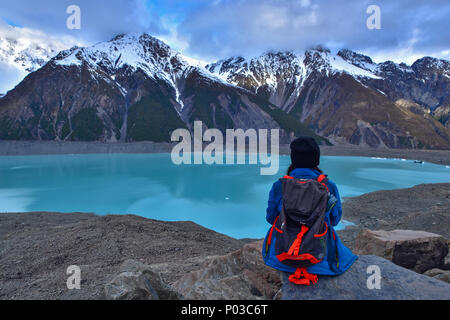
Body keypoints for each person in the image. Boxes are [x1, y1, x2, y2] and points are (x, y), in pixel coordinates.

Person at [263, 136, 357, 276]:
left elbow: (271, 218)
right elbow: (335, 220)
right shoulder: (328, 186)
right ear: (316, 160)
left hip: (282, 256)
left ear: (293, 159)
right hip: (320, 258)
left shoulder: (280, 186)